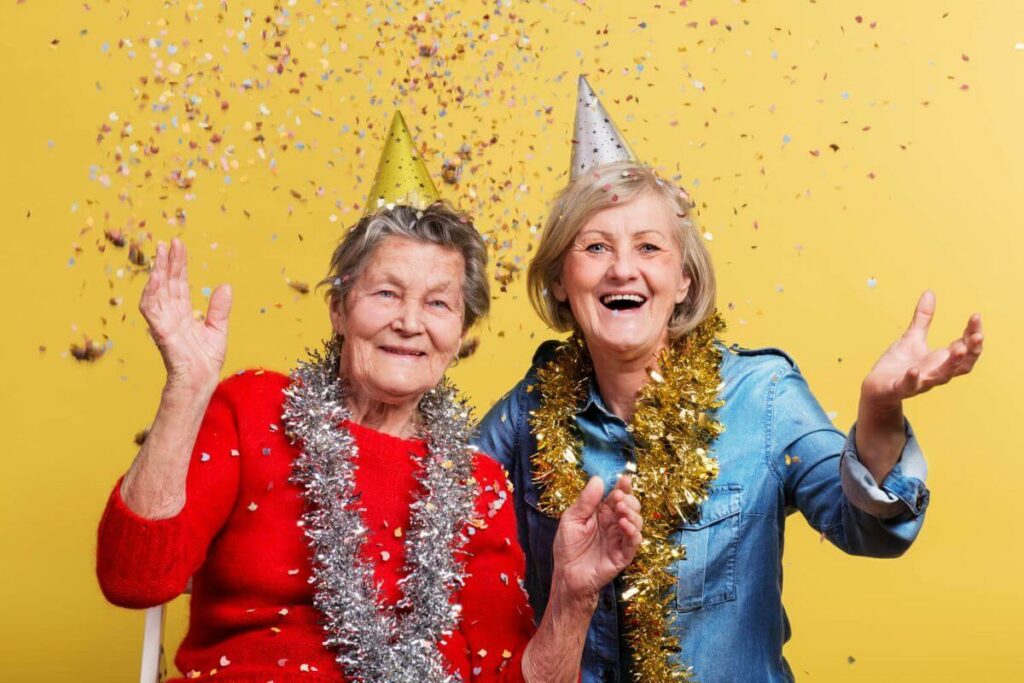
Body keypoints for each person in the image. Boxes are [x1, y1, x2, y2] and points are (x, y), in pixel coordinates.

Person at [97, 112, 644, 683]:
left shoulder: (476, 483)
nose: (410, 322)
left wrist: (574, 598)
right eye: (386, 292)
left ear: (459, 336)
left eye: (438, 304)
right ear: (339, 308)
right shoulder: (253, 409)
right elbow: (134, 580)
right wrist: (186, 388)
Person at [475, 77, 984, 683]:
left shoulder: (762, 396)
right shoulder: (526, 411)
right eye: (594, 247)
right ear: (561, 279)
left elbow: (870, 529)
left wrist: (879, 413)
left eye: (649, 247)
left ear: (684, 279)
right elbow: (436, 516)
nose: (623, 269)